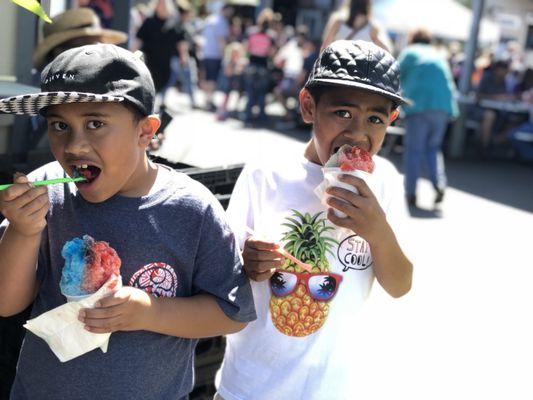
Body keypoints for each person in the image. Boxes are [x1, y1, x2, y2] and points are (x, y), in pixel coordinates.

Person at [0, 43, 256, 399]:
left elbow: (233, 312)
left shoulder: (190, 210)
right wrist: (23, 231)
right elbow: (6, 301)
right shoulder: (48, 194)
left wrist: (151, 312)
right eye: (59, 125)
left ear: (145, 132)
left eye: (95, 123)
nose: (74, 145)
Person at [215, 40, 413, 400]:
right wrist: (248, 262)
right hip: (250, 386)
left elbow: (400, 285)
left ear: (391, 121)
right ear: (309, 107)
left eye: (375, 119)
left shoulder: (383, 182)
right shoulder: (267, 174)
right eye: (342, 113)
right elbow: (220, 271)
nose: (357, 133)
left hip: (330, 387)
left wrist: (378, 232)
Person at [398, 28, 458, 208]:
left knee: (414, 151)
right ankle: (438, 183)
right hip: (442, 107)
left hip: (418, 105)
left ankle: (411, 193)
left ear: (412, 39)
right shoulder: (439, 54)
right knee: (433, 149)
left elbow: (393, 75)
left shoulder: (409, 52)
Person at [136, 0, 188, 107]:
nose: (162, 7)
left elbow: (181, 41)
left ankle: (155, 102)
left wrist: (184, 56)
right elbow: (139, 39)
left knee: (165, 81)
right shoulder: (149, 21)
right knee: (149, 83)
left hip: (166, 61)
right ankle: (148, 104)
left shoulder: (174, 22)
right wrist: (132, 54)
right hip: (149, 60)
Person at [321, 0, 392, 52]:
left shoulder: (338, 22)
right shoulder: (372, 27)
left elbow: (324, 48)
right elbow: (387, 51)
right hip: (361, 70)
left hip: (338, 68)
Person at [200, 3, 234, 111]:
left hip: (206, 53)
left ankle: (206, 100)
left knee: (207, 77)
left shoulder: (209, 19)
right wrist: (225, 55)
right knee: (212, 79)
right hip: (215, 54)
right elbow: (221, 41)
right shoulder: (222, 21)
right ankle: (209, 101)